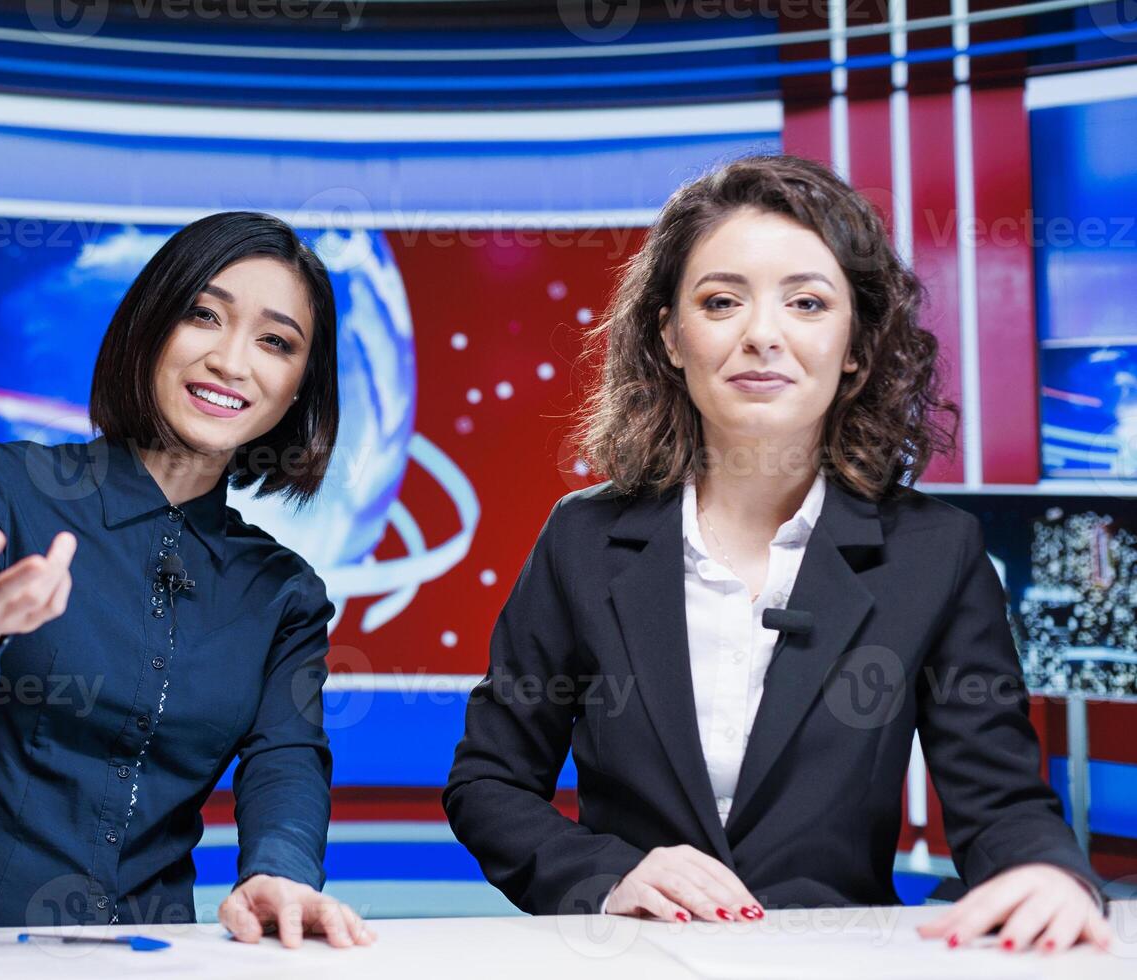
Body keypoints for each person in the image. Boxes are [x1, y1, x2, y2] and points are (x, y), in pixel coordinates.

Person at [444, 155, 1112, 955]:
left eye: (806, 302)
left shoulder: (936, 552)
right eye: (722, 302)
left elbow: (1000, 799)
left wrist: (1045, 871)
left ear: (857, 345)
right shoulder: (582, 540)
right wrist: (605, 875)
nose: (762, 335)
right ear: (670, 337)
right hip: (631, 961)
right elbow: (490, 783)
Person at [0, 211, 373, 949]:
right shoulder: (2, 488)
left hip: (149, 958)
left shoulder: (283, 592)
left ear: (296, 391)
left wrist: (281, 870)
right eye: (204, 315)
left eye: (275, 342)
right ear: (150, 325)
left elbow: (286, 756)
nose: (232, 361)